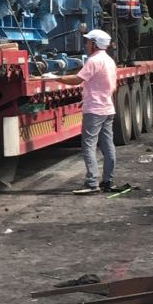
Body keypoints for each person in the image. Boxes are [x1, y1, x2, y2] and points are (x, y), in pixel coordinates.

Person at [59, 29, 120, 195]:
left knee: (89, 146)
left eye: (88, 42)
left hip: (94, 110)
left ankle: (92, 183)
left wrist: (54, 77)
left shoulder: (94, 61)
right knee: (108, 146)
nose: (86, 45)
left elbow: (77, 79)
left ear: (95, 44)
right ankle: (108, 181)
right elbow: (113, 87)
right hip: (108, 108)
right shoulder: (109, 61)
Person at [115, 0, 146, 65]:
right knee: (123, 40)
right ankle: (122, 60)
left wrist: (146, 15)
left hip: (135, 18)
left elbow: (143, 2)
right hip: (122, 18)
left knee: (135, 39)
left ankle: (131, 59)